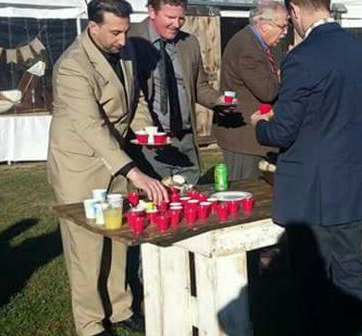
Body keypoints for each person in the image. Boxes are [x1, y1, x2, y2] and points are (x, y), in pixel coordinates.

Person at [250, 0, 362, 334]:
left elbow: (283, 130)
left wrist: (260, 124)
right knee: (350, 271)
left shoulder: (302, 57)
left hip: (313, 188)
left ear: (295, 10)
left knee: (311, 279)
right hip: (354, 178)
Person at [47, 1, 168, 335]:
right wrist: (134, 171)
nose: (122, 39)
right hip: (79, 163)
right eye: (115, 32)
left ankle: (120, 309)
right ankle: (89, 323)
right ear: (92, 27)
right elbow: (90, 127)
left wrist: (146, 130)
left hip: (115, 157)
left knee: (118, 240)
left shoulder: (124, 50)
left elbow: (135, 97)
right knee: (85, 247)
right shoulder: (72, 65)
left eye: (126, 30)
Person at [128, 0, 232, 185]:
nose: (176, 24)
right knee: (156, 201)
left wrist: (219, 100)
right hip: (151, 143)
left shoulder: (189, 43)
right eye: (170, 17)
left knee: (190, 194)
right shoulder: (131, 40)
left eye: (181, 18)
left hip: (185, 138)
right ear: (152, 11)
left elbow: (199, 87)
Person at [215, 0, 287, 181]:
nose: (285, 32)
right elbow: (267, 91)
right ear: (263, 25)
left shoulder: (255, 43)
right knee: (246, 190)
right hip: (244, 139)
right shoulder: (248, 48)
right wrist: (283, 73)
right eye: (282, 26)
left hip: (250, 137)